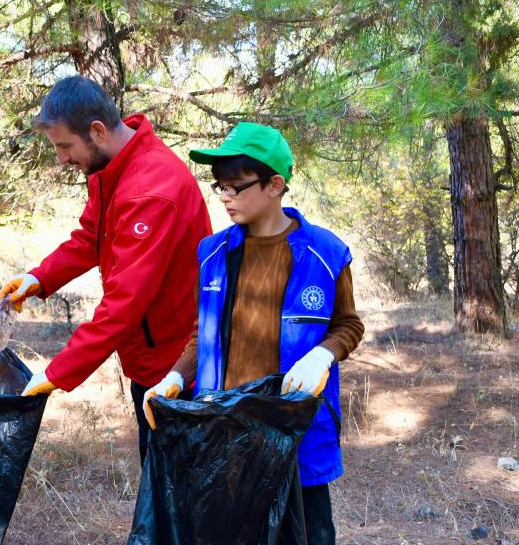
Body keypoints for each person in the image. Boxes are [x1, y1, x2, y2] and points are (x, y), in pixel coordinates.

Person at [144, 122, 365, 545]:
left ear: (274, 185)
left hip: (293, 433)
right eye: (219, 187)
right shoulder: (212, 253)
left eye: (235, 187)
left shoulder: (324, 253)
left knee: (307, 534)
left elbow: (348, 324)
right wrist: (175, 376)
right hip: (223, 432)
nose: (225, 197)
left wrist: (323, 355)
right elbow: (200, 334)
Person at [0, 75, 212, 462]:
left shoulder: (152, 188)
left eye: (65, 146)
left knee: (176, 496)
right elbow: (89, 238)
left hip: (178, 368)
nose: (62, 158)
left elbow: (124, 303)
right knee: (158, 489)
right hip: (148, 359)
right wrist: (39, 278)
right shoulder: (112, 170)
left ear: (96, 131)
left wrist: (57, 373)